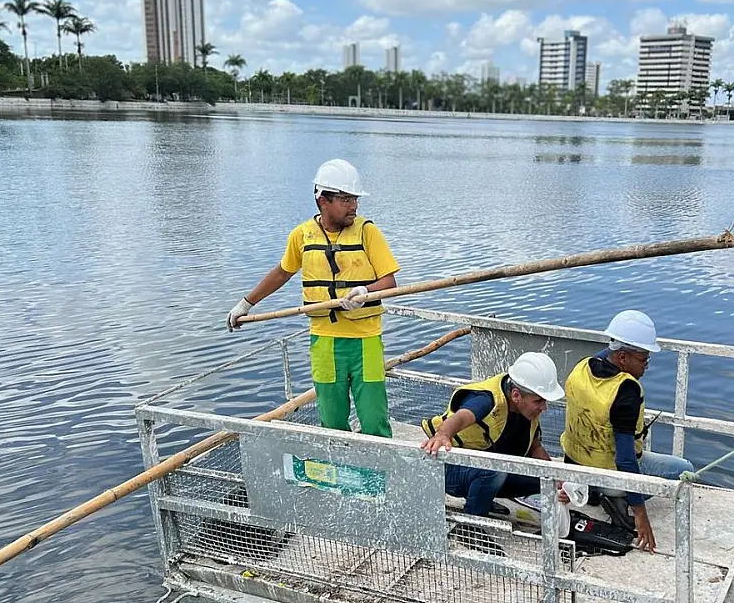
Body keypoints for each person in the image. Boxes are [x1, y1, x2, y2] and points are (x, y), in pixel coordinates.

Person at [226, 158, 400, 438]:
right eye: (345, 199)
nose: (353, 206)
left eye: (354, 198)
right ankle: (342, 476)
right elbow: (283, 272)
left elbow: (389, 282)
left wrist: (365, 291)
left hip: (366, 341)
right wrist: (246, 303)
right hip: (325, 341)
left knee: (374, 419)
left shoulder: (368, 232)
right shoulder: (302, 235)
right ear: (323, 200)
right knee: (331, 420)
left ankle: (381, 479)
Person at [559, 310, 695, 553]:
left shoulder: (581, 368)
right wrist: (640, 514)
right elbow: (625, 460)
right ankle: (617, 497)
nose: (646, 366)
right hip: (610, 476)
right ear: (622, 357)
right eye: (643, 359)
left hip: (575, 469)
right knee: (684, 469)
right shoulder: (626, 392)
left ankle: (596, 493)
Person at [420, 352, 568, 553]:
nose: (544, 407)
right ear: (516, 395)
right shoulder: (487, 400)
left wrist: (558, 480)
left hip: (486, 469)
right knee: (493, 470)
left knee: (543, 481)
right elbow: (462, 417)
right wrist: (443, 434)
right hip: (450, 471)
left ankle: (485, 498)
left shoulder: (526, 408)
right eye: (539, 401)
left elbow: (534, 448)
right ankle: (470, 526)